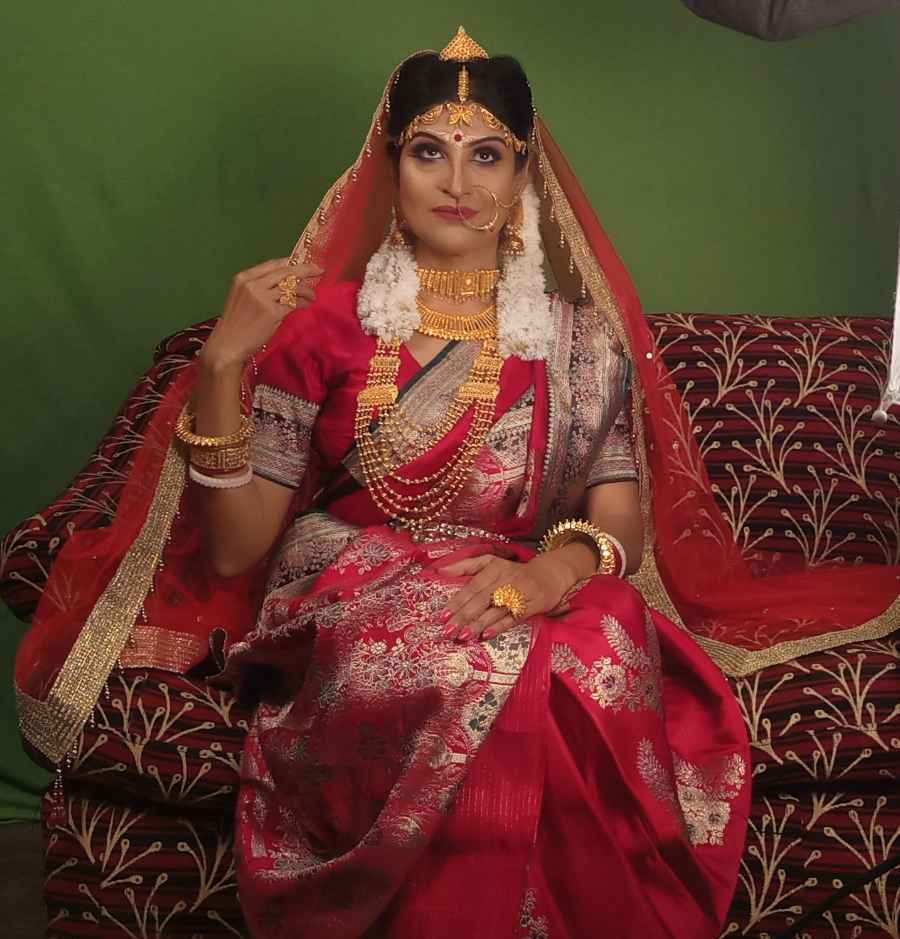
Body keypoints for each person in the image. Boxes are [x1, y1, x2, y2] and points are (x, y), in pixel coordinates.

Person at [19, 22, 890, 938]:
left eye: (487, 156)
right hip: (350, 590)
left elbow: (620, 523)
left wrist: (550, 574)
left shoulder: (579, 341)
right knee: (467, 657)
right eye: (430, 151)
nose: (459, 184)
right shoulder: (325, 325)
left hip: (511, 579)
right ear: (393, 167)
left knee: (603, 632)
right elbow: (237, 547)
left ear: (522, 179)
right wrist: (222, 365)